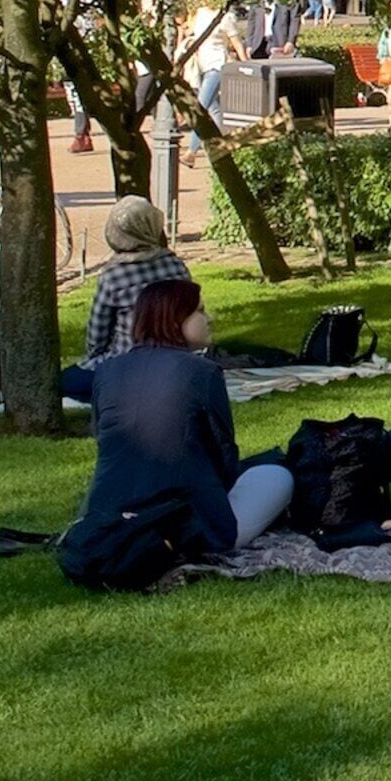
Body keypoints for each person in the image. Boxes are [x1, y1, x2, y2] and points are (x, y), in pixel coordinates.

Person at [71, 278, 293, 557]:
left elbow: (105, 442)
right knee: (277, 475)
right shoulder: (202, 371)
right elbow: (224, 455)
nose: (208, 319)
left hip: (109, 519)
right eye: (199, 311)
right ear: (175, 319)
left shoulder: (107, 371)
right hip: (184, 528)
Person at [81, 195, 191, 362]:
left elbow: (97, 333)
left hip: (126, 359)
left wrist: (94, 358)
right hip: (176, 356)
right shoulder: (176, 265)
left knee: (69, 376)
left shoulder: (113, 276)